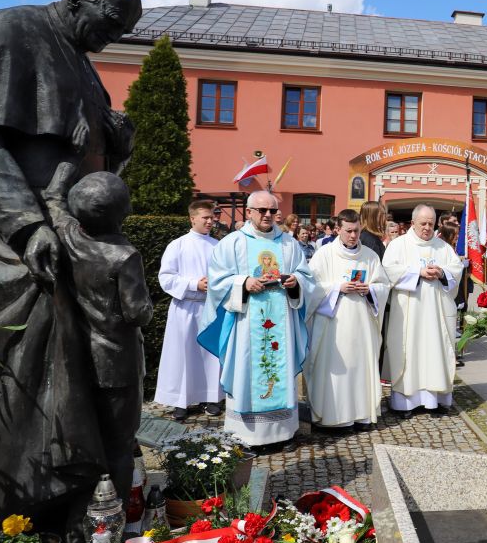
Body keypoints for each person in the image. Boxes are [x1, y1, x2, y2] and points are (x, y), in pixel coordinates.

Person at [0, 0, 143, 543]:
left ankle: (76, 499)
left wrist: (117, 144)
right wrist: (27, 226)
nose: (111, 40)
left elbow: (89, 173)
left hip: (70, 237)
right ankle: (23, 506)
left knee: (93, 377)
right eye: (110, 25)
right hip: (15, 235)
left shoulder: (84, 62)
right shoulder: (13, 32)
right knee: (40, 342)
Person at [44, 166, 153, 537]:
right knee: (120, 447)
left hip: (79, 358)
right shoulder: (124, 255)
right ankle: (111, 526)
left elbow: (55, 205)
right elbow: (138, 312)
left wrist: (62, 174)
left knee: (87, 440)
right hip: (117, 362)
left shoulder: (70, 236)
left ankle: (78, 519)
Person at [198, 190, 315, 450]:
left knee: (279, 369)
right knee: (247, 370)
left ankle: (281, 434)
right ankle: (247, 436)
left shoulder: (288, 243)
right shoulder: (233, 243)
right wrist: (244, 282)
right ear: (249, 212)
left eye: (272, 211)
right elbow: (217, 281)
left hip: (281, 317)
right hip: (246, 321)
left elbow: (307, 276)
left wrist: (296, 281)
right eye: (261, 210)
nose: (267, 215)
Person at [306, 209, 391, 431]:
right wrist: (337, 288)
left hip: (362, 326)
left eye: (357, 231)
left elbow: (384, 286)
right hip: (333, 326)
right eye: (349, 231)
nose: (353, 236)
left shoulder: (370, 257)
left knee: (360, 368)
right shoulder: (324, 255)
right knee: (336, 370)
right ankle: (335, 418)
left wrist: (370, 289)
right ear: (338, 230)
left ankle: (362, 416)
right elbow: (311, 289)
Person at [381, 204, 463, 417]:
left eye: (430, 224)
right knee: (409, 352)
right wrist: (417, 272)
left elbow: (456, 269)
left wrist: (442, 272)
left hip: (436, 315)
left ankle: (434, 400)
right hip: (409, 314)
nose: (427, 228)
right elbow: (388, 270)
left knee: (434, 351)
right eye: (423, 223)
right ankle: (405, 403)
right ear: (413, 223)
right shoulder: (399, 245)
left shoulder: (443, 247)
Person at [154, 200, 222, 420]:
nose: (210, 221)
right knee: (183, 355)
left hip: (210, 308)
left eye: (212, 217)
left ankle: (210, 397)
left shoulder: (217, 246)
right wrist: (194, 284)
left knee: (209, 355)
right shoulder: (178, 245)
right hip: (185, 308)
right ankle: (180, 401)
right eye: (205, 217)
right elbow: (166, 277)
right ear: (192, 218)